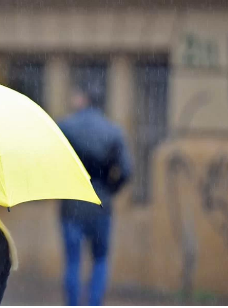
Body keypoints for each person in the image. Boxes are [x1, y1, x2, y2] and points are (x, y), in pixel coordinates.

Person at [57, 87, 132, 306]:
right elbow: (127, 170)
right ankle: (94, 303)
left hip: (72, 204)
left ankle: (72, 304)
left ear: (83, 100)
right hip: (101, 204)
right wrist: (109, 189)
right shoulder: (113, 130)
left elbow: (53, 160)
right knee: (100, 260)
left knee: (73, 262)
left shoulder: (65, 127)